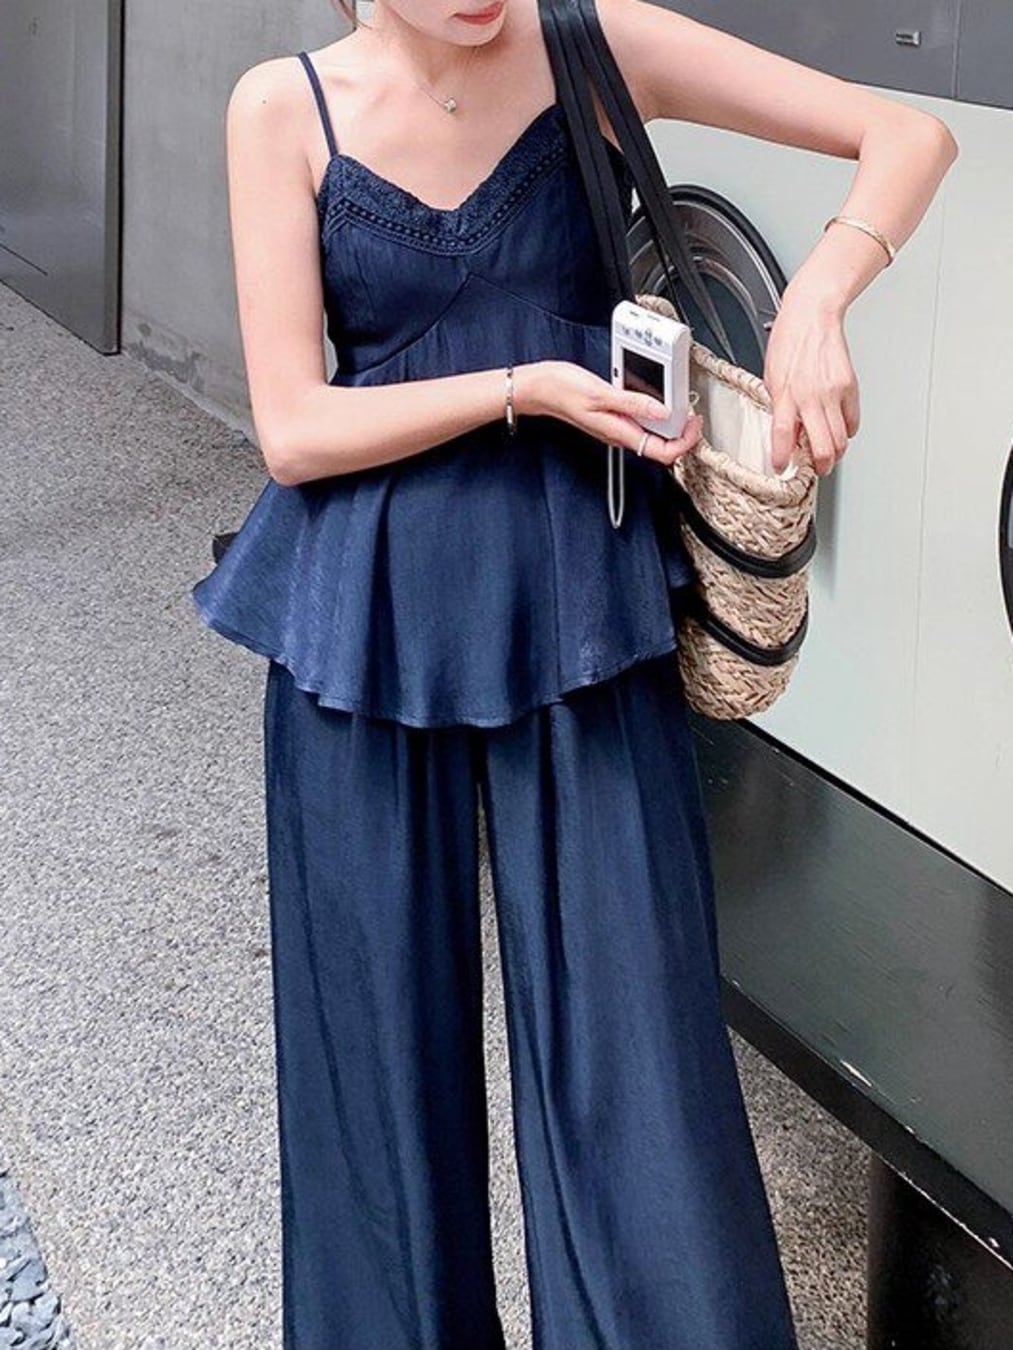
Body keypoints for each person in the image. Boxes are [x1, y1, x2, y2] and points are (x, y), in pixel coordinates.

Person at [191, 0, 958, 1345]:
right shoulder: (280, 109)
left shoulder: (593, 45)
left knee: (638, 1056)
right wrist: (523, 387)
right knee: (374, 1074)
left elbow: (906, 134)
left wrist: (818, 299)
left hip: (580, 604)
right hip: (362, 621)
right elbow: (295, 429)